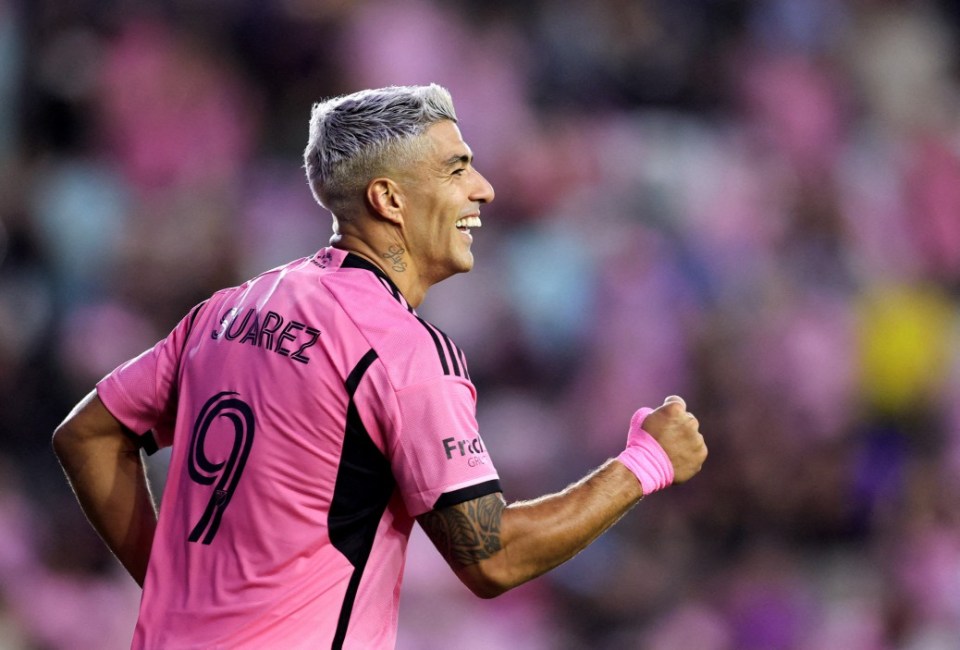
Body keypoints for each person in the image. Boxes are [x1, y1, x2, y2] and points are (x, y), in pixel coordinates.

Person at [53, 83, 707, 649]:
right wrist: (644, 465)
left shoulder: (225, 310)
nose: (484, 188)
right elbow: (494, 560)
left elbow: (87, 435)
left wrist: (171, 585)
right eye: (456, 169)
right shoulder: (403, 350)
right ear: (391, 199)